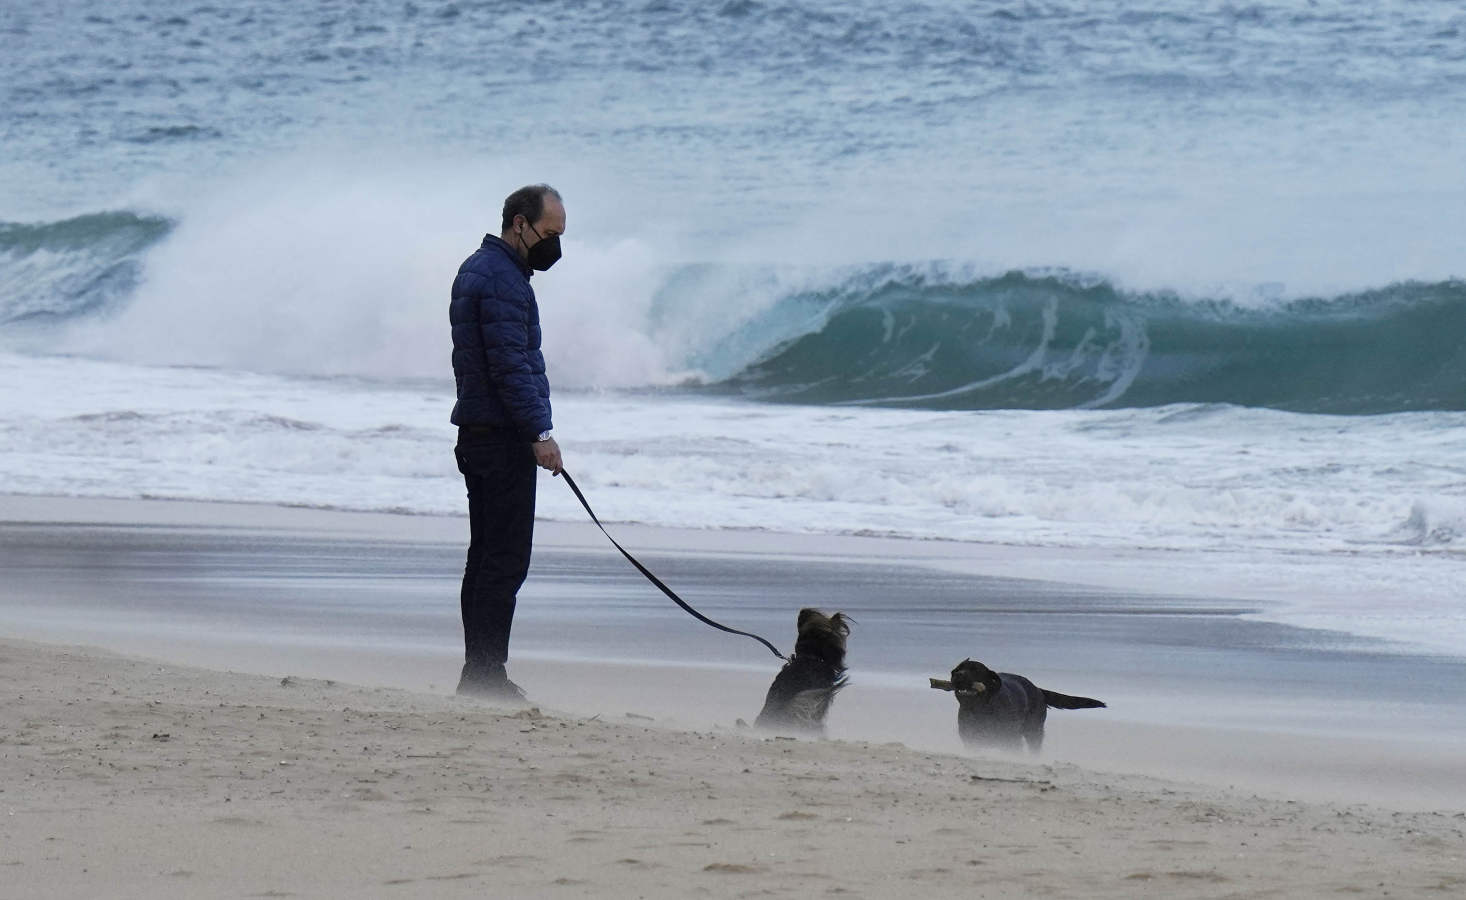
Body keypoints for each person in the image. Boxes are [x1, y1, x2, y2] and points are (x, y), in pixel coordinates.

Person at [448, 183, 566, 702]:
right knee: (504, 560)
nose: (554, 247)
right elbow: (510, 367)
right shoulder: (500, 279)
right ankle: (485, 674)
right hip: (499, 438)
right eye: (549, 233)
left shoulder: (486, 269)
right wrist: (541, 433)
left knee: (486, 557)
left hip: (481, 434)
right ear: (520, 223)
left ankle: (479, 671)